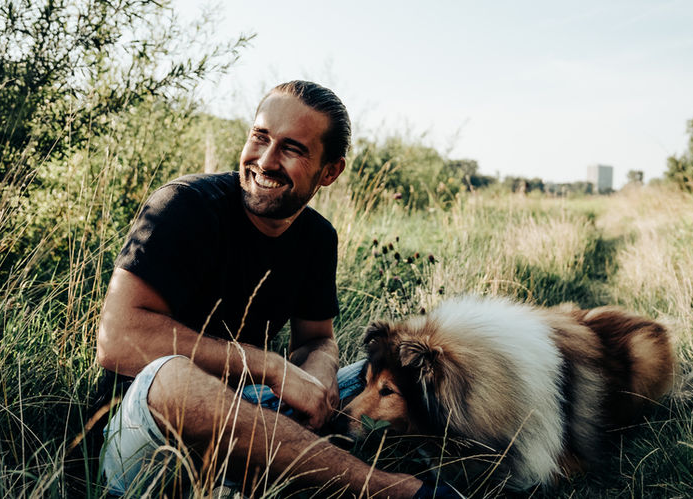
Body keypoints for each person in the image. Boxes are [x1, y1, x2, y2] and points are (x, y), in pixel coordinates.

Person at [95, 81, 451, 497]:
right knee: (171, 375)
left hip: (252, 414)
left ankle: (473, 469)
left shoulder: (318, 238)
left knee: (389, 376)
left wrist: (316, 374)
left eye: (293, 148)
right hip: (148, 436)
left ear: (330, 172)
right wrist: (273, 367)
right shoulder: (183, 205)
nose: (265, 161)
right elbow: (117, 340)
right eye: (260, 137)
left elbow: (318, 339)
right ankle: (397, 491)